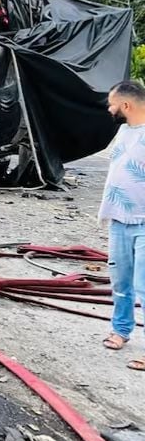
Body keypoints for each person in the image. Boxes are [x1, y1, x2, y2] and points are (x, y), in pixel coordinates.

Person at [100, 80, 145, 369]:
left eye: (112, 102)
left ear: (126, 105)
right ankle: (121, 330)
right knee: (121, 282)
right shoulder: (124, 132)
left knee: (144, 285)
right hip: (119, 218)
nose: (109, 107)